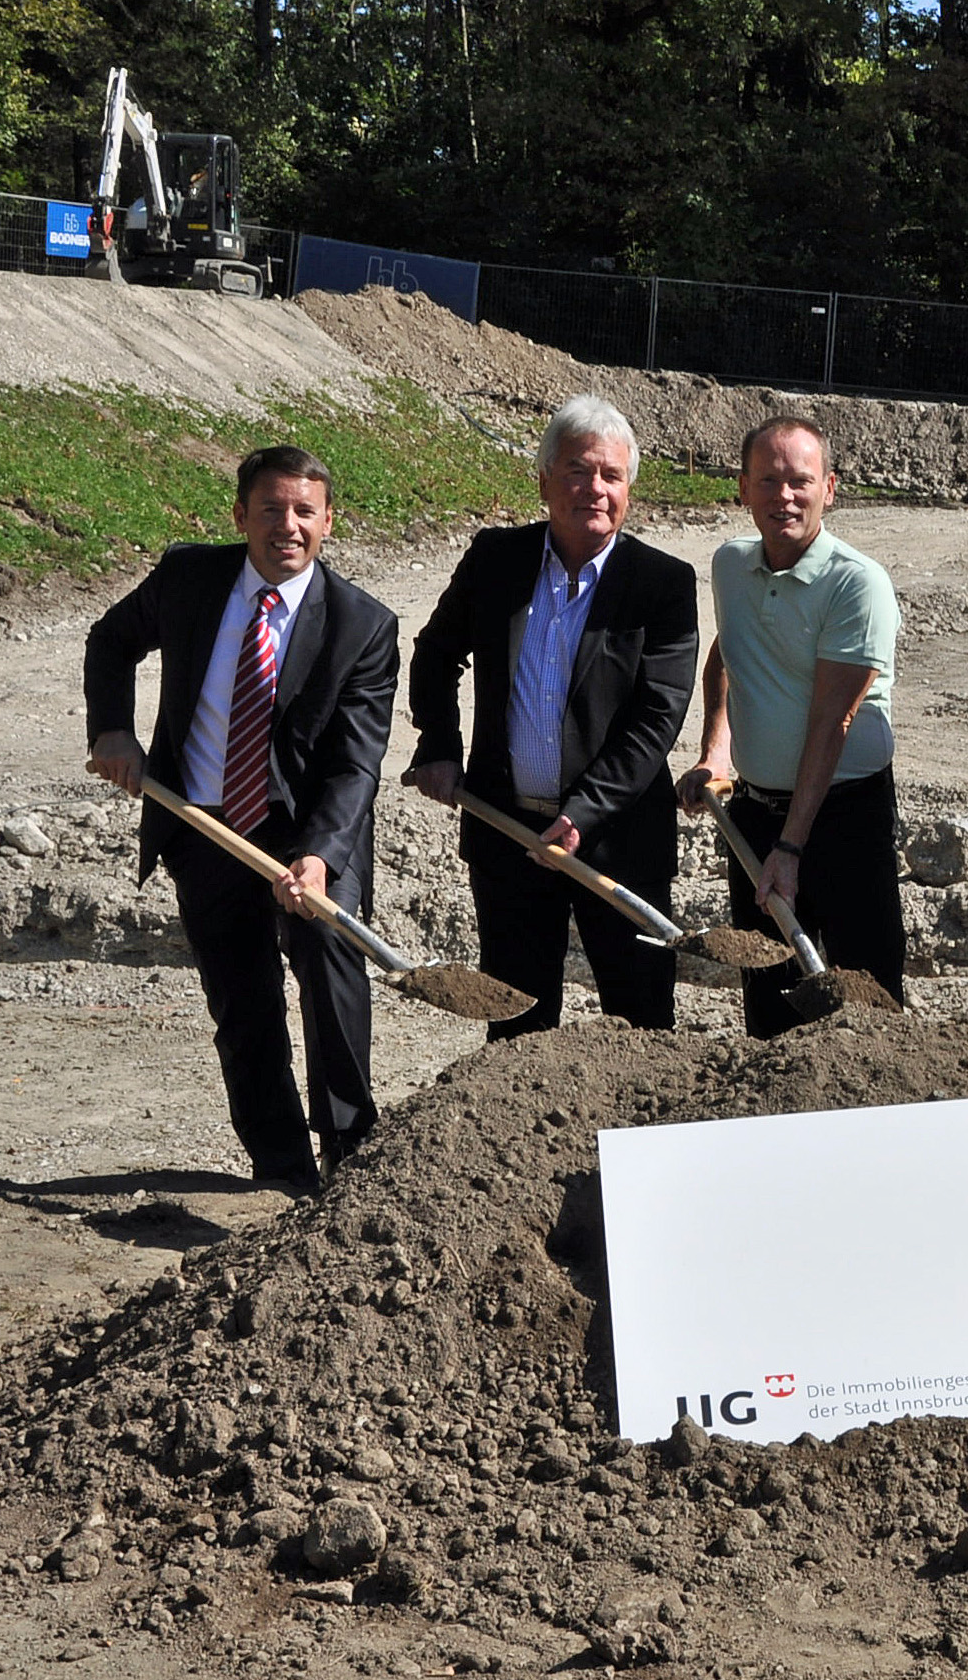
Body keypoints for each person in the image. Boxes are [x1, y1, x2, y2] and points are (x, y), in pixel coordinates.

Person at [82, 445, 400, 1192]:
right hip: (203, 823)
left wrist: (320, 856)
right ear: (240, 515)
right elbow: (111, 640)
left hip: (310, 831)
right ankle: (282, 1169)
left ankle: (350, 1158)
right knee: (243, 1003)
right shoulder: (191, 578)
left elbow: (357, 765)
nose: (285, 526)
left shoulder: (362, 625)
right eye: (269, 509)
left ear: (328, 521)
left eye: (303, 511)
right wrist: (113, 730)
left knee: (330, 973)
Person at [403, 396, 698, 1041]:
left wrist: (584, 812)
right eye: (575, 471)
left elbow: (658, 715)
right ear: (543, 481)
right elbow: (434, 654)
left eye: (611, 475)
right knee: (515, 1024)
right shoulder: (495, 560)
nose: (594, 488)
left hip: (618, 844)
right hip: (506, 834)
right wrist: (440, 745)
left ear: (629, 489)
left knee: (641, 1022)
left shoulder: (663, 584)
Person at [682, 416, 906, 1038]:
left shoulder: (857, 584)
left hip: (843, 816)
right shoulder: (729, 564)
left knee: (867, 988)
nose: (785, 495)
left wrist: (791, 846)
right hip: (755, 814)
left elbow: (833, 721)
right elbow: (730, 654)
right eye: (769, 480)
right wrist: (717, 753)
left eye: (800, 481)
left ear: (829, 489)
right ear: (743, 489)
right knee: (770, 990)